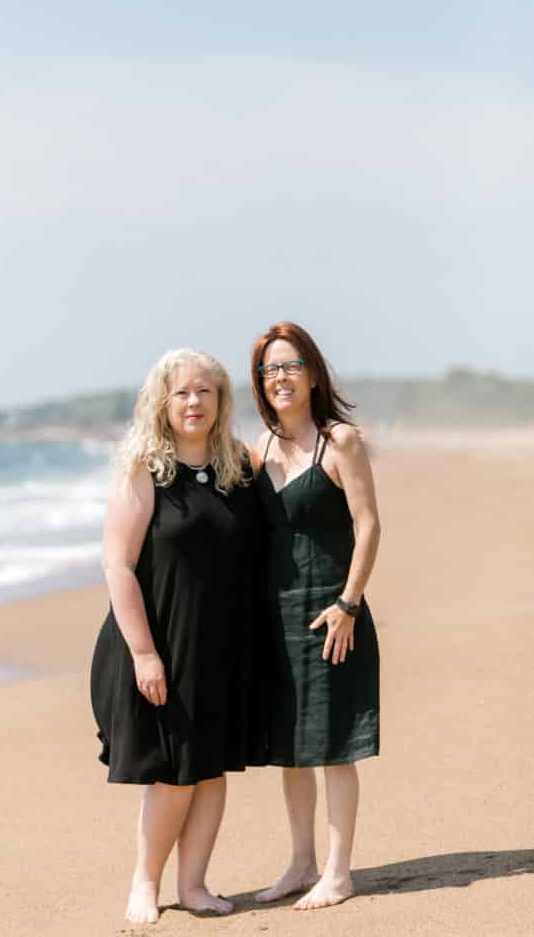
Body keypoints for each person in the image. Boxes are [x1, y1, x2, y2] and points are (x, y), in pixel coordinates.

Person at [90, 348, 262, 925]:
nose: (194, 402)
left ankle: (194, 886)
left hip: (221, 644)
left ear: (220, 401)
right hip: (160, 639)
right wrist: (144, 653)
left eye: (205, 392)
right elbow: (117, 566)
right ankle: (146, 882)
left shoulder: (239, 466)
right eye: (183, 392)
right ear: (163, 401)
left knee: (211, 769)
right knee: (172, 773)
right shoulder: (145, 470)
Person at [250, 321, 380, 911]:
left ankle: (338, 872)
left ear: (312, 373)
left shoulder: (340, 441)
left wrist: (349, 603)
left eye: (290, 366)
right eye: (270, 369)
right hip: (277, 617)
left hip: (333, 610)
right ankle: (300, 863)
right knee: (291, 748)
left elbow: (369, 525)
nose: (280, 377)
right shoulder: (261, 448)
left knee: (332, 747)